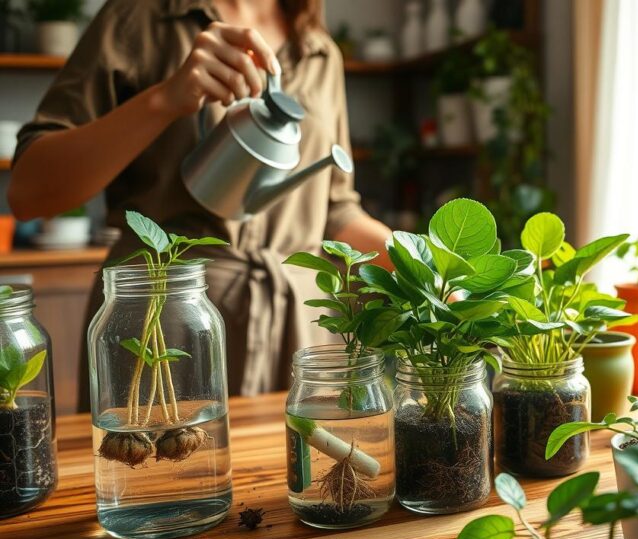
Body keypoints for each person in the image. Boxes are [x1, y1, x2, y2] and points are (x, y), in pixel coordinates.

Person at [6, 0, 391, 411]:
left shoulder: (317, 47)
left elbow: (334, 210)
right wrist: (166, 99)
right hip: (162, 328)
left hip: (296, 339)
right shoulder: (142, 16)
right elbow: (29, 193)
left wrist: (427, 266)